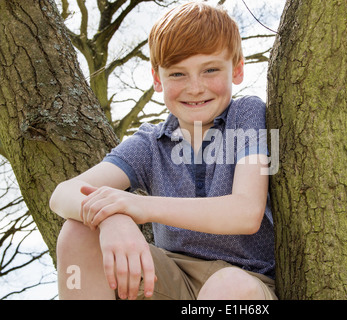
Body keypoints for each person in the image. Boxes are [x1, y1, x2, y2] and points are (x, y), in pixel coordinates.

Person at [50, 1, 276, 300]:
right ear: (158, 79)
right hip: (168, 279)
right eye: (177, 74)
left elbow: (246, 213)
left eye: (210, 69)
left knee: (230, 288)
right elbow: (63, 193)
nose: (195, 87)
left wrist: (138, 207)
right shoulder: (150, 143)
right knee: (78, 231)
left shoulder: (245, 115)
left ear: (236, 69)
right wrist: (111, 217)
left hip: (245, 283)